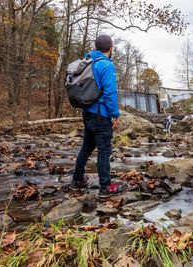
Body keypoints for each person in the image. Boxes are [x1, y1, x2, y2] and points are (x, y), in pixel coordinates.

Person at [70, 35, 127, 197]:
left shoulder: (87, 61)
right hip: (101, 116)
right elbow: (110, 93)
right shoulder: (106, 65)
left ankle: (77, 179)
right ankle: (105, 187)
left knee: (86, 147)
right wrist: (115, 115)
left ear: (95, 47)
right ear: (111, 48)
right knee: (104, 150)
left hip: (87, 113)